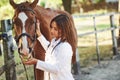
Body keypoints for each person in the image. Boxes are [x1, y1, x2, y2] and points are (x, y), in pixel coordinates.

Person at [22, 14, 76, 80]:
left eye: (55, 29)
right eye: (51, 27)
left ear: (64, 30)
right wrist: (39, 34)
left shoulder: (65, 47)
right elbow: (50, 49)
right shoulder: (55, 41)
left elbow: (56, 69)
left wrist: (36, 62)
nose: (51, 31)